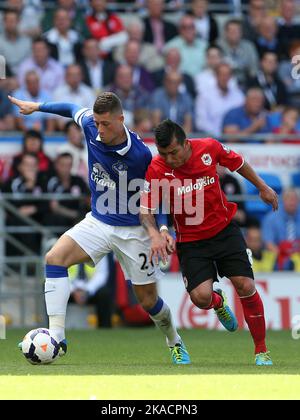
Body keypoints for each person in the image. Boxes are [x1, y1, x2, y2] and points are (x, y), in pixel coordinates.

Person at [9, 92, 190, 365]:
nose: (100, 129)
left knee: (149, 302)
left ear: (120, 119)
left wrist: (162, 229)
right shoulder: (91, 125)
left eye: (106, 124)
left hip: (134, 231)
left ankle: (174, 341)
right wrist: (37, 107)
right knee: (54, 259)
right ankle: (57, 337)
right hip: (99, 221)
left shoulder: (141, 156)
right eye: (97, 122)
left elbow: (157, 195)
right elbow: (71, 108)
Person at [140, 119, 278, 366]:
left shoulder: (209, 148)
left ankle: (261, 351)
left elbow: (238, 163)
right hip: (191, 241)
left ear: (185, 143)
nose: (169, 159)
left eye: (173, 152)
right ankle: (218, 302)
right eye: (163, 153)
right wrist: (157, 232)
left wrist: (262, 186)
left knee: (245, 285)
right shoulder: (157, 167)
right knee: (201, 298)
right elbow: (147, 208)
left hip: (224, 230)